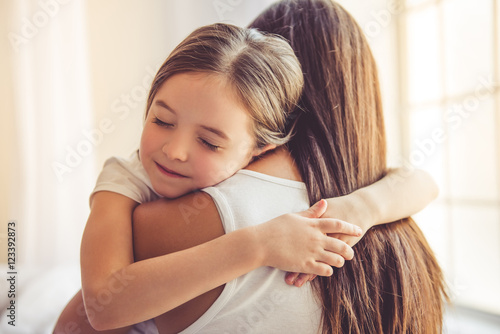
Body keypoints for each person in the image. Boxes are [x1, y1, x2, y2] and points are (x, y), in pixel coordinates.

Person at [54, 4, 442, 334]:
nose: (175, 151)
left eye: (209, 141)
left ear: (261, 146)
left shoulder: (349, 202)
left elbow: (424, 181)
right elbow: (99, 307)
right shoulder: (125, 179)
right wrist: (258, 244)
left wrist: (359, 210)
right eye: (161, 120)